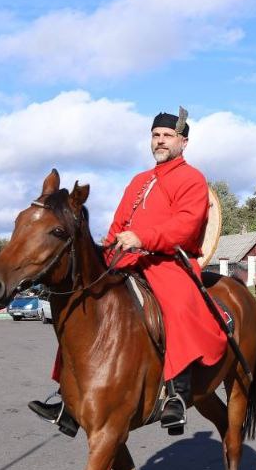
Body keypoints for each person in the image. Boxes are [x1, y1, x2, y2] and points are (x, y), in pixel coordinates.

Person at [28, 109, 228, 436]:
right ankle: (68, 399)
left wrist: (143, 238)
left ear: (183, 142)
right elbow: (118, 224)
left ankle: (178, 392)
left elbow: (186, 226)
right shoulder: (139, 180)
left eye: (167, 136)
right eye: (155, 135)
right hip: (126, 258)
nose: (160, 141)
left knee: (176, 302)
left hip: (169, 259)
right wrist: (107, 250)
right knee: (81, 306)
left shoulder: (193, 178)